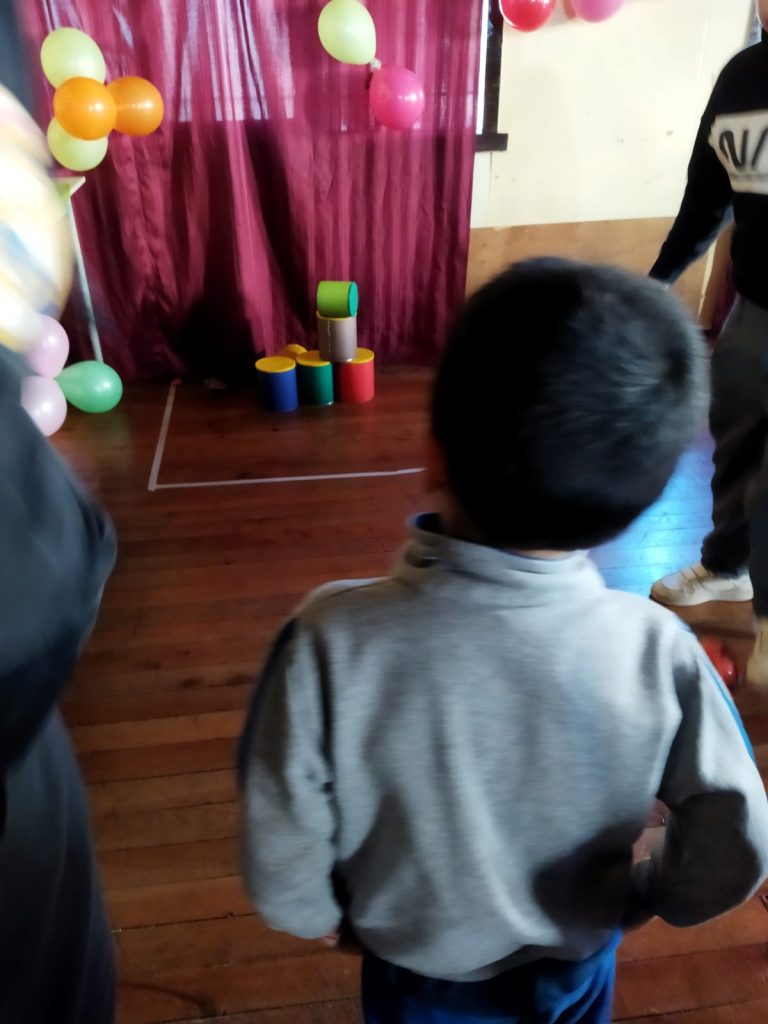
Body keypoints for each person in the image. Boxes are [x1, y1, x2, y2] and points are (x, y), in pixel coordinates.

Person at [239, 259, 768, 1024]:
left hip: (414, 975)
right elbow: (736, 829)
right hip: (575, 963)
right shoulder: (660, 653)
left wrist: (313, 913)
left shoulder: (328, 639)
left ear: (434, 455)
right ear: (639, 502)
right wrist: (655, 892)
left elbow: (280, 826)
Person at [649, 2, 768, 685]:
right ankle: (728, 568)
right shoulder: (740, 79)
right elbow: (706, 197)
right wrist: (657, 282)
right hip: (756, 308)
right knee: (736, 441)